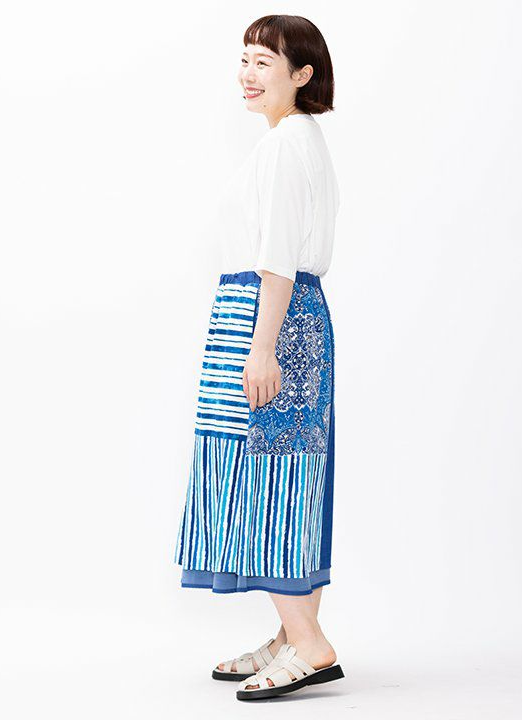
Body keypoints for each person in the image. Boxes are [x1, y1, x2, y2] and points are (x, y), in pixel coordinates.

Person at [173, 14, 343, 701]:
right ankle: (290, 634)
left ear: (302, 75)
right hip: (287, 313)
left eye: (264, 62)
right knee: (286, 472)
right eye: (244, 58)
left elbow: (276, 257)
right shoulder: (300, 140)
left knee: (271, 475)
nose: (247, 73)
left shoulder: (284, 146)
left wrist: (262, 345)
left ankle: (309, 643)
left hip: (270, 316)